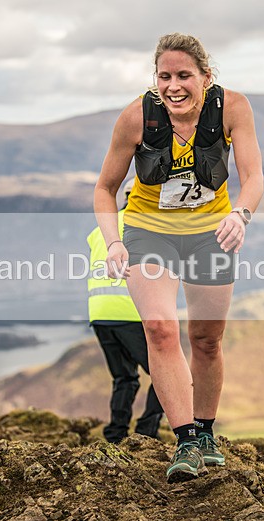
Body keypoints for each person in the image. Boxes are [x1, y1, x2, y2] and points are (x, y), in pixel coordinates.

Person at [93, 33, 264, 482]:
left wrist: (241, 215)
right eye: (164, 76)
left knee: (206, 339)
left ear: (206, 77)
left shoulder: (233, 109)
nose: (173, 86)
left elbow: (253, 176)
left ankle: (205, 432)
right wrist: (114, 241)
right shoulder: (136, 117)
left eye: (184, 75)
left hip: (212, 235)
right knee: (160, 328)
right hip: (151, 234)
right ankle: (185, 439)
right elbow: (104, 189)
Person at [87, 180, 164, 443]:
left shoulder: (101, 230)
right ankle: (146, 432)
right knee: (166, 373)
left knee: (125, 377)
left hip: (99, 312)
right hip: (128, 311)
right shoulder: (146, 225)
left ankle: (116, 434)